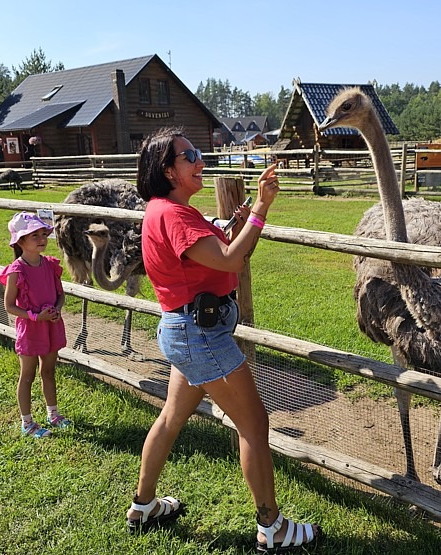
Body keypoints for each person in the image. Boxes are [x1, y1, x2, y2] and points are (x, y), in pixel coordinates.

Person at [127, 127, 321, 551]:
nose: (200, 160)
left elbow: (222, 253)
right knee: (254, 425)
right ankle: (272, 528)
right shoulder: (174, 215)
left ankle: (143, 506)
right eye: (189, 155)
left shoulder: (167, 210)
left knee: (170, 419)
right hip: (200, 335)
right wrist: (263, 210)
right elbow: (233, 257)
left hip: (184, 331)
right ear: (168, 170)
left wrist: (242, 220)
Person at [0, 212, 71, 438]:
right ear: (20, 242)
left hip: (51, 325)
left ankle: (53, 414)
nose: (41, 239)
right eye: (34, 235)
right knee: (27, 375)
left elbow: (61, 295)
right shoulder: (16, 271)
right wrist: (34, 317)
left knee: (48, 371)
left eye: (43, 234)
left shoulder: (50, 265)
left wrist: (57, 310)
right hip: (30, 329)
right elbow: (9, 305)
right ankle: (27, 422)